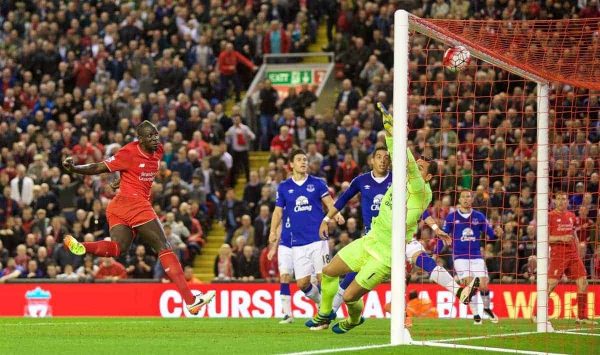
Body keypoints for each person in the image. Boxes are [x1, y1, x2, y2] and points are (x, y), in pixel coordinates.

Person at [308, 103, 478, 333]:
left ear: (426, 176)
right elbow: (399, 158)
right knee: (328, 271)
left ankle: (357, 319)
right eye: (416, 165)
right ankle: (324, 314)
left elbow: (406, 161)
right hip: (371, 239)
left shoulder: (419, 188)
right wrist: (390, 134)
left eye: (420, 168)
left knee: (350, 296)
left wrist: (395, 131)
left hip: (386, 254)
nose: (414, 169)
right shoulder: (399, 179)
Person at [61, 120, 215, 315]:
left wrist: (123, 179)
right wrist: (75, 168)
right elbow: (99, 167)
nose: (155, 139)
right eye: (149, 136)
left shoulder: (158, 151)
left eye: (156, 135)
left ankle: (83, 247)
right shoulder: (129, 152)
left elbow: (138, 171)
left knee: (119, 248)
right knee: (164, 248)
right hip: (135, 204)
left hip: (118, 206)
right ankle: (191, 300)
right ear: (140, 139)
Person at [267, 149, 340, 310]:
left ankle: (327, 312)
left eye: (305, 159)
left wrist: (337, 213)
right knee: (302, 284)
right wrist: (272, 231)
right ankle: (324, 304)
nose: (303, 162)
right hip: (297, 242)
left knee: (323, 277)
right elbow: (278, 212)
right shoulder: (284, 187)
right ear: (291, 164)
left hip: (317, 238)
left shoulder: (317, 183)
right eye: (299, 159)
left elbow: (329, 203)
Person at [440, 190, 503, 325]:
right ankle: (475, 314)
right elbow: (443, 236)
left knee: (484, 284)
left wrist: (498, 234)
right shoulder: (451, 217)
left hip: (476, 256)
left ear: (472, 199)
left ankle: (486, 308)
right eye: (463, 197)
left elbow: (490, 235)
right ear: (459, 200)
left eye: (468, 196)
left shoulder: (479, 216)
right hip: (459, 257)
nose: (466, 199)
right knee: (470, 283)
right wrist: (436, 252)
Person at [536, 191, 597, 325]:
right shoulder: (549, 216)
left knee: (583, 282)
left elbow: (574, 234)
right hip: (558, 255)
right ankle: (537, 313)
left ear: (567, 201)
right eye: (559, 199)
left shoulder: (571, 216)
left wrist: (578, 250)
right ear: (555, 201)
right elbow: (544, 238)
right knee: (551, 285)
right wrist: (561, 238)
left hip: (573, 254)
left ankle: (581, 317)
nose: (562, 201)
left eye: (564, 199)